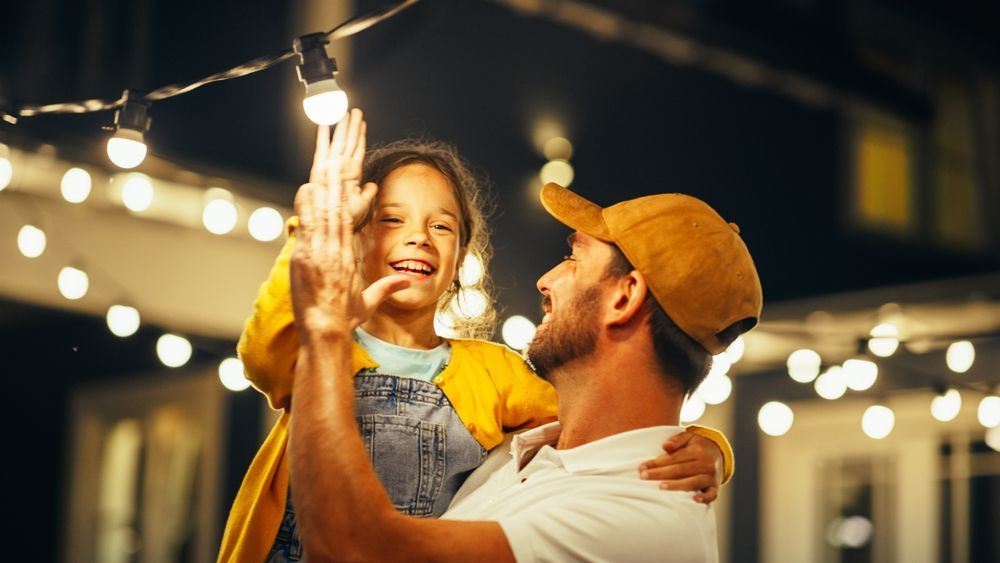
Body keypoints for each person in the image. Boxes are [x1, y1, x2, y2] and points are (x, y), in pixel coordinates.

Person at [217, 110, 735, 562]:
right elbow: (263, 353)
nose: (418, 235)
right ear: (355, 239)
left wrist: (701, 446)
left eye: (441, 226)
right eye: (391, 219)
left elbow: (600, 411)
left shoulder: (492, 375)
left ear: (461, 256)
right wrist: (315, 238)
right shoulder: (315, 349)